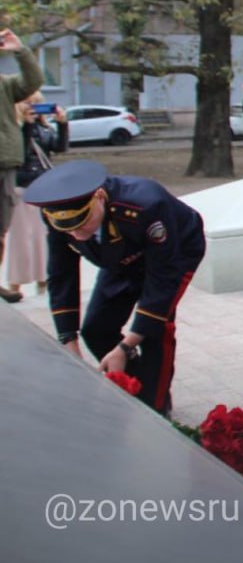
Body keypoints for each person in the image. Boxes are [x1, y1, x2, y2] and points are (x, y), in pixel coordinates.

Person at [26, 160, 206, 414]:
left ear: (99, 197)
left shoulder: (145, 206)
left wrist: (126, 344)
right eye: (69, 229)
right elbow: (62, 274)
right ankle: (133, 382)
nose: (76, 235)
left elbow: (163, 279)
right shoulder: (56, 214)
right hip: (118, 255)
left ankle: (156, 405)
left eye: (82, 223)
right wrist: (69, 342)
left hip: (174, 252)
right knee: (95, 328)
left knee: (156, 328)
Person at [7, 92, 68, 298]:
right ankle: (16, 282)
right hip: (20, 186)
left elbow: (60, 147)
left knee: (44, 235)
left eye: (37, 103)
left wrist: (62, 124)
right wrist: (26, 125)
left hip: (45, 187)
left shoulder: (44, 128)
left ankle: (44, 279)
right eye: (27, 102)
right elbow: (19, 154)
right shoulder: (12, 128)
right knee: (21, 238)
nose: (32, 106)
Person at [0, 29, 42, 304]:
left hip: (4, 163)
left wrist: (19, 50)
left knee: (1, 229)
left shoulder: (4, 85)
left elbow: (33, 81)